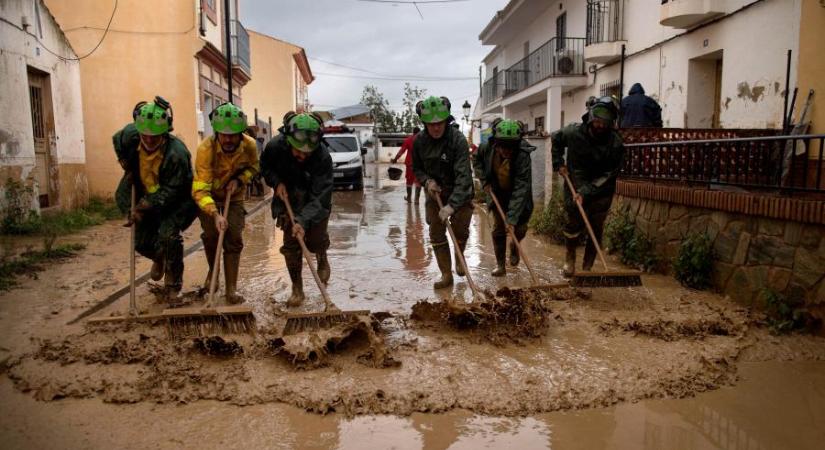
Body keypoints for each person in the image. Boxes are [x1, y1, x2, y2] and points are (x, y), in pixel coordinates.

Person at [112, 98, 198, 301]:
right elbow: (117, 139)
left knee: (169, 236)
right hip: (144, 189)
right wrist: (125, 162)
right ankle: (161, 258)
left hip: (178, 200)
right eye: (145, 135)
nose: (149, 140)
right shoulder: (130, 136)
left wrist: (146, 205)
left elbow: (173, 190)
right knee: (140, 242)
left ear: (165, 132)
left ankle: (173, 286)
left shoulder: (177, 153)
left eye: (155, 136)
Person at [261, 112, 333, 306]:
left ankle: (321, 255)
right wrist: (276, 183)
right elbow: (265, 168)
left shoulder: (323, 156)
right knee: (292, 246)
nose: (303, 155)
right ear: (288, 140)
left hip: (314, 199)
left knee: (316, 239)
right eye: (298, 151)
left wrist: (302, 220)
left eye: (307, 152)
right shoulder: (274, 147)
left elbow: (321, 197)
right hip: (289, 198)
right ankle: (297, 289)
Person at [191, 103, 259, 304]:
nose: (228, 139)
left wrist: (239, 180)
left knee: (234, 237)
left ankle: (231, 288)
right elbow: (200, 190)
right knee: (212, 235)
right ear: (217, 132)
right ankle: (213, 273)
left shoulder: (250, 145)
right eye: (224, 135)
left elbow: (254, 167)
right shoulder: (205, 149)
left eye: (233, 135)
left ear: (241, 133)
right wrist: (215, 214)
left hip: (234, 196)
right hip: (209, 196)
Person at [551, 96, 624, 277]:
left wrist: (586, 192)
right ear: (590, 116)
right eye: (597, 120)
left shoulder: (616, 144)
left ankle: (587, 268)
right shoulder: (574, 132)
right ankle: (570, 259)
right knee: (573, 222)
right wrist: (558, 163)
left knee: (596, 226)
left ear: (611, 123)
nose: (600, 125)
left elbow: (609, 175)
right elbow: (556, 140)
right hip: (575, 181)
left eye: (605, 122)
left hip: (602, 187)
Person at [412, 96, 474, 289]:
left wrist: (452, 205)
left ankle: (459, 255)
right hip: (435, 193)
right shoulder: (419, 142)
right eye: (431, 125)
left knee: (460, 229)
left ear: (447, 121)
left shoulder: (458, 140)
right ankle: (446, 275)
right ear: (424, 124)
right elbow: (417, 168)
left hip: (460, 192)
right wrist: (427, 181)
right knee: (436, 232)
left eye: (440, 123)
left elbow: (464, 177)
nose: (436, 128)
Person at [473, 119, 534, 277]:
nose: (507, 150)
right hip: (497, 194)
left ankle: (515, 245)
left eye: (511, 147)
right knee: (499, 231)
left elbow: (522, 187)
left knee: (519, 229)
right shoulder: (487, 148)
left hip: (520, 198)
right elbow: (476, 160)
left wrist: (512, 218)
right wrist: (484, 180)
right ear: (496, 143)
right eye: (503, 146)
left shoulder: (522, 156)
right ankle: (500, 265)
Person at [391, 126, 421, 203]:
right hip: (420, 165)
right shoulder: (423, 140)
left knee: (409, 181)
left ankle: (409, 198)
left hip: (410, 164)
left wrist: (395, 159)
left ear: (413, 132)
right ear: (419, 132)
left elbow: (402, 151)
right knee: (418, 182)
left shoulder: (408, 140)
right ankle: (417, 200)